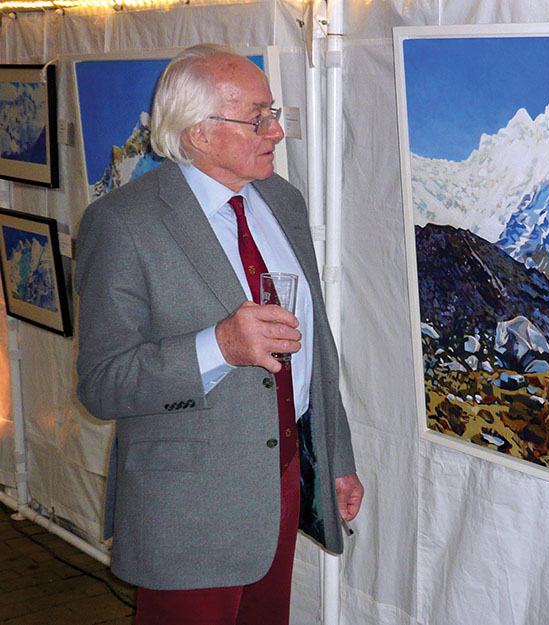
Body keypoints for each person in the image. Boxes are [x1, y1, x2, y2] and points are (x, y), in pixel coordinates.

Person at [75, 44, 362, 625]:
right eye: (258, 117)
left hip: (280, 482)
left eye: (273, 112)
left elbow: (318, 351)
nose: (277, 130)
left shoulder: (281, 200)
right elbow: (102, 383)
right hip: (185, 508)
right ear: (200, 133)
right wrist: (220, 346)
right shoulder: (124, 223)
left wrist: (335, 457)